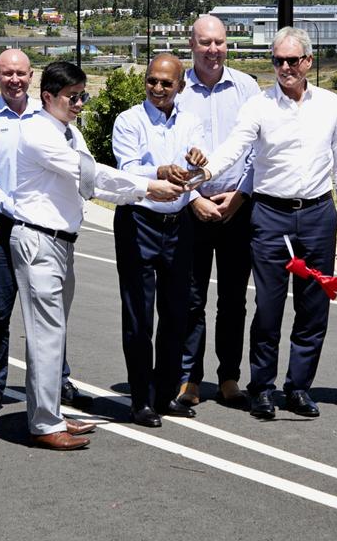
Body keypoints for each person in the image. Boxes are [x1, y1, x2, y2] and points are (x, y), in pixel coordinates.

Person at [9, 61, 182, 449]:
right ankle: (43, 424)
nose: (79, 104)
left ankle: (51, 412)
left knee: (54, 334)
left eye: (83, 96)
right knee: (45, 336)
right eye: (72, 97)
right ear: (48, 96)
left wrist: (141, 192)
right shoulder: (38, 133)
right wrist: (149, 187)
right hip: (39, 240)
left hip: (60, 243)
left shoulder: (70, 133)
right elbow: (92, 176)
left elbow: (96, 187)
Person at [201, 27, 337, 420]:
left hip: (319, 215)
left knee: (313, 307)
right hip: (271, 216)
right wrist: (201, 172)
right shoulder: (259, 105)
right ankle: (262, 388)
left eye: (291, 60)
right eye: (277, 61)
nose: (284, 68)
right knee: (268, 308)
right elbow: (235, 147)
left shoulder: (330, 104)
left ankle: (299, 388)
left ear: (308, 61)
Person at [0, 49, 87, 419]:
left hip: (43, 227)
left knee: (49, 313)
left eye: (21, 73)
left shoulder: (52, 117)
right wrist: (8, 204)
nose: (14, 80)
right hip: (3, 223)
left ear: (32, 76)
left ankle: (58, 379)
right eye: (6, 73)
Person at [112, 53, 208, 427]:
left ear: (180, 87)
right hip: (140, 220)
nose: (158, 89)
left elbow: (200, 171)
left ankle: (166, 393)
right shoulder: (129, 120)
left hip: (179, 224)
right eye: (152, 81)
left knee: (177, 313)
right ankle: (141, 400)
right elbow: (127, 170)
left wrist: (199, 165)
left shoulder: (190, 121)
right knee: (139, 315)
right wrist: (159, 170)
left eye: (167, 83)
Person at [175, 14, 261, 408]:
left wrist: (240, 194)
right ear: (191, 44)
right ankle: (189, 378)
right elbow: (167, 146)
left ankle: (229, 377)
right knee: (190, 298)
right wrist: (195, 198)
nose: (213, 50)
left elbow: (259, 150)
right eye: (205, 42)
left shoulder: (247, 88)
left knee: (232, 300)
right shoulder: (177, 89)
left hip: (236, 209)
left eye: (220, 42)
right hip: (190, 208)